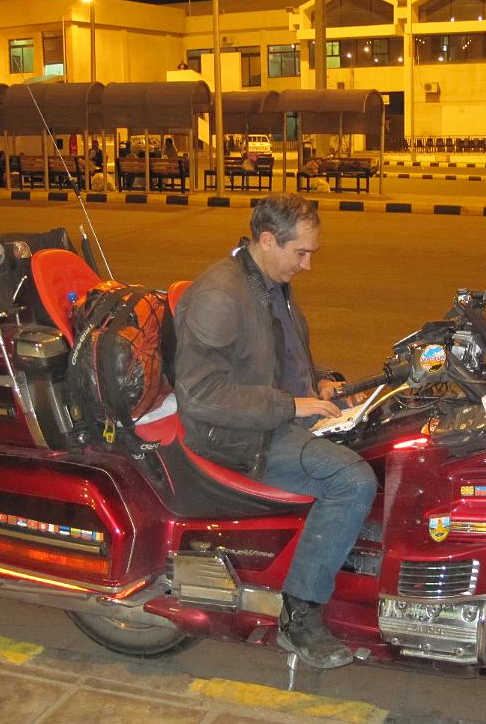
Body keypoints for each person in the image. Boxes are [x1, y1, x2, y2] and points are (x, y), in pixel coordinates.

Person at [174, 193, 377, 670]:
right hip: (238, 435)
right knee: (352, 480)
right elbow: (200, 395)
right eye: (300, 253)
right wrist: (291, 405)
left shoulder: (268, 281)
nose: (307, 265)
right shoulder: (222, 295)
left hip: (273, 413)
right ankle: (299, 616)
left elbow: (279, 356)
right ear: (267, 240)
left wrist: (321, 382)